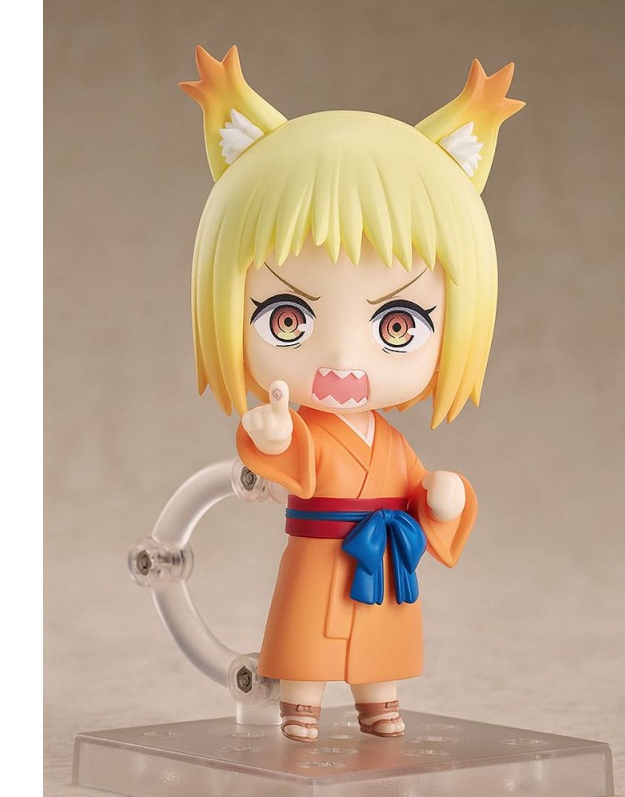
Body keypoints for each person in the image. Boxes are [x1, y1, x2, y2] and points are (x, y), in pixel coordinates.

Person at [180, 45, 522, 741]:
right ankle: (300, 704)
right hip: (317, 553)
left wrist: (443, 497)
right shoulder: (308, 426)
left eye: (398, 324)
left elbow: (423, 492)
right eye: (288, 318)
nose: (341, 359)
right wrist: (275, 433)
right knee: (307, 630)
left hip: (385, 557)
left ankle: (378, 703)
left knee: (378, 640)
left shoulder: (389, 443)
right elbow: (286, 455)